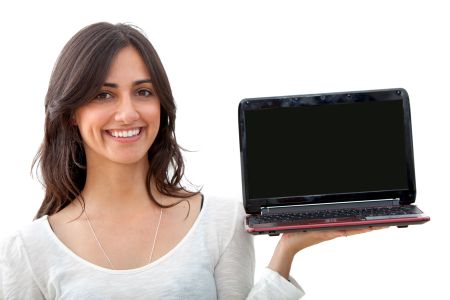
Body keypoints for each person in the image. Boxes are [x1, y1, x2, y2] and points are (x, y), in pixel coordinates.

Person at [0, 22, 379, 299]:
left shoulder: (220, 222)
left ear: (161, 105)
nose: (128, 113)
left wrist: (286, 250)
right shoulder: (29, 249)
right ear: (70, 112)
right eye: (103, 95)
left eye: (143, 91)